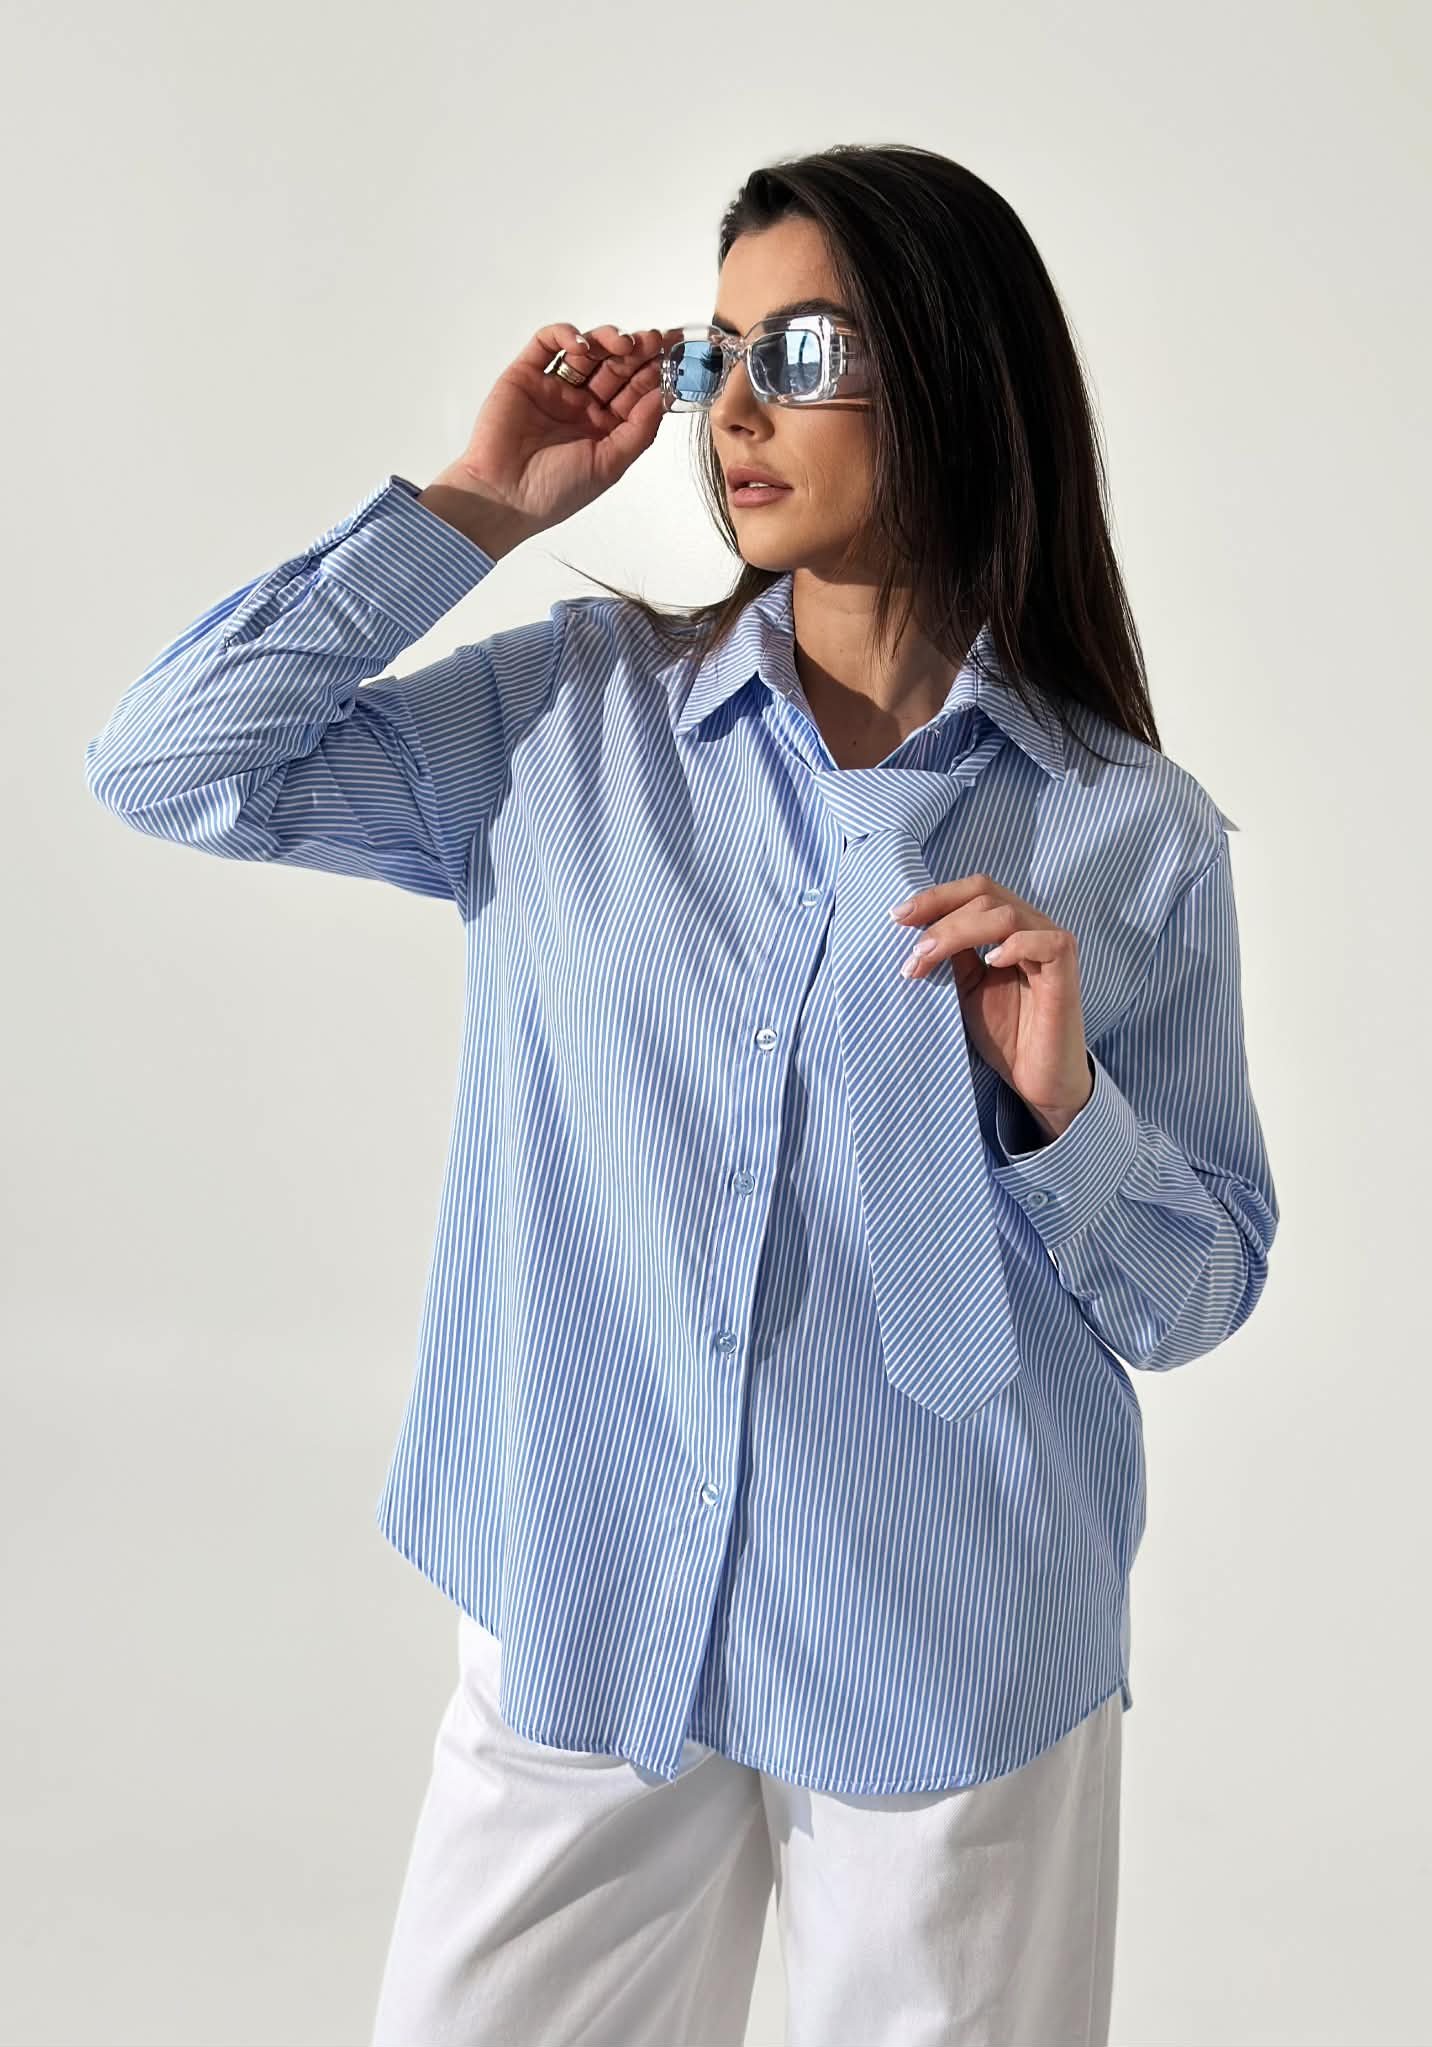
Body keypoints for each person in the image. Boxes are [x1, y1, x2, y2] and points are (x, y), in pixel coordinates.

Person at [82, 143, 1279, 2047]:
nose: (734, 410)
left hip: (949, 1638)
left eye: (802, 353)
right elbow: (175, 766)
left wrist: (1070, 1120)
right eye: (720, 353)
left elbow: (1195, 1294)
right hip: (583, 1594)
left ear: (956, 376)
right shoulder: (565, 718)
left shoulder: (1130, 834)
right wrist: (474, 510)